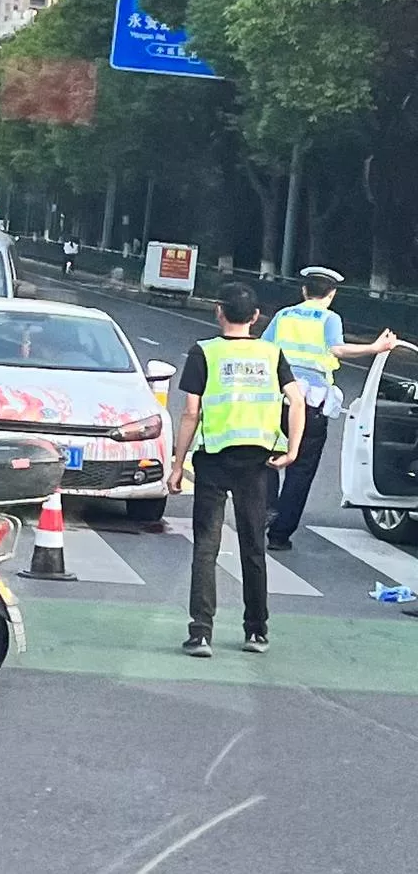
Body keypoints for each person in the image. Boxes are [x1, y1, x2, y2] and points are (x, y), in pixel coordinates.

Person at [169, 281, 305, 658]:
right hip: (258, 463)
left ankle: (200, 634)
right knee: (253, 548)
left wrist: (177, 466)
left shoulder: (204, 353)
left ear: (218, 311)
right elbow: (297, 400)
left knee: (206, 549)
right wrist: (292, 449)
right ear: (256, 317)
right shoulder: (271, 352)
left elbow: (191, 412)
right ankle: (256, 632)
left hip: (213, 460)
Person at [263, 266, 396, 551]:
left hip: (276, 400)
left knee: (268, 458)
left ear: (303, 290)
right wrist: (375, 348)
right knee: (300, 470)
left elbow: (263, 350)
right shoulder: (329, 318)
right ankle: (279, 534)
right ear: (332, 294)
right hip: (311, 405)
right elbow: (337, 349)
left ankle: (266, 508)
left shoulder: (283, 315)